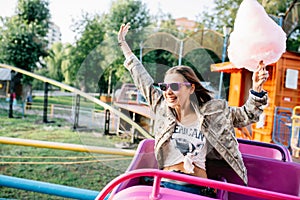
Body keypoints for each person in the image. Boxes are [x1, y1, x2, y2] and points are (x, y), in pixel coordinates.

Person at [117, 23, 269, 197]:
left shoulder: (214, 111)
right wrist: (124, 45)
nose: (168, 91)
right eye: (165, 86)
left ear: (191, 88)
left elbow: (247, 115)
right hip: (166, 186)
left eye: (174, 86)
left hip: (197, 190)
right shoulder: (162, 108)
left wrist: (257, 88)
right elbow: (141, 78)